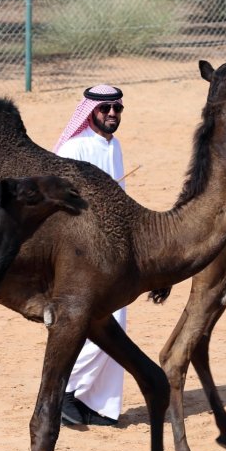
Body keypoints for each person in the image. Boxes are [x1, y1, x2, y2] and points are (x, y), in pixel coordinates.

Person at [53, 84, 127, 426]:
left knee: (117, 325)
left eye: (117, 108)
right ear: (90, 112)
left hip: (112, 250)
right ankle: (63, 392)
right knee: (95, 324)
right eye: (105, 108)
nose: (112, 114)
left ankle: (95, 402)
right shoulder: (74, 147)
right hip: (83, 253)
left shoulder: (115, 146)